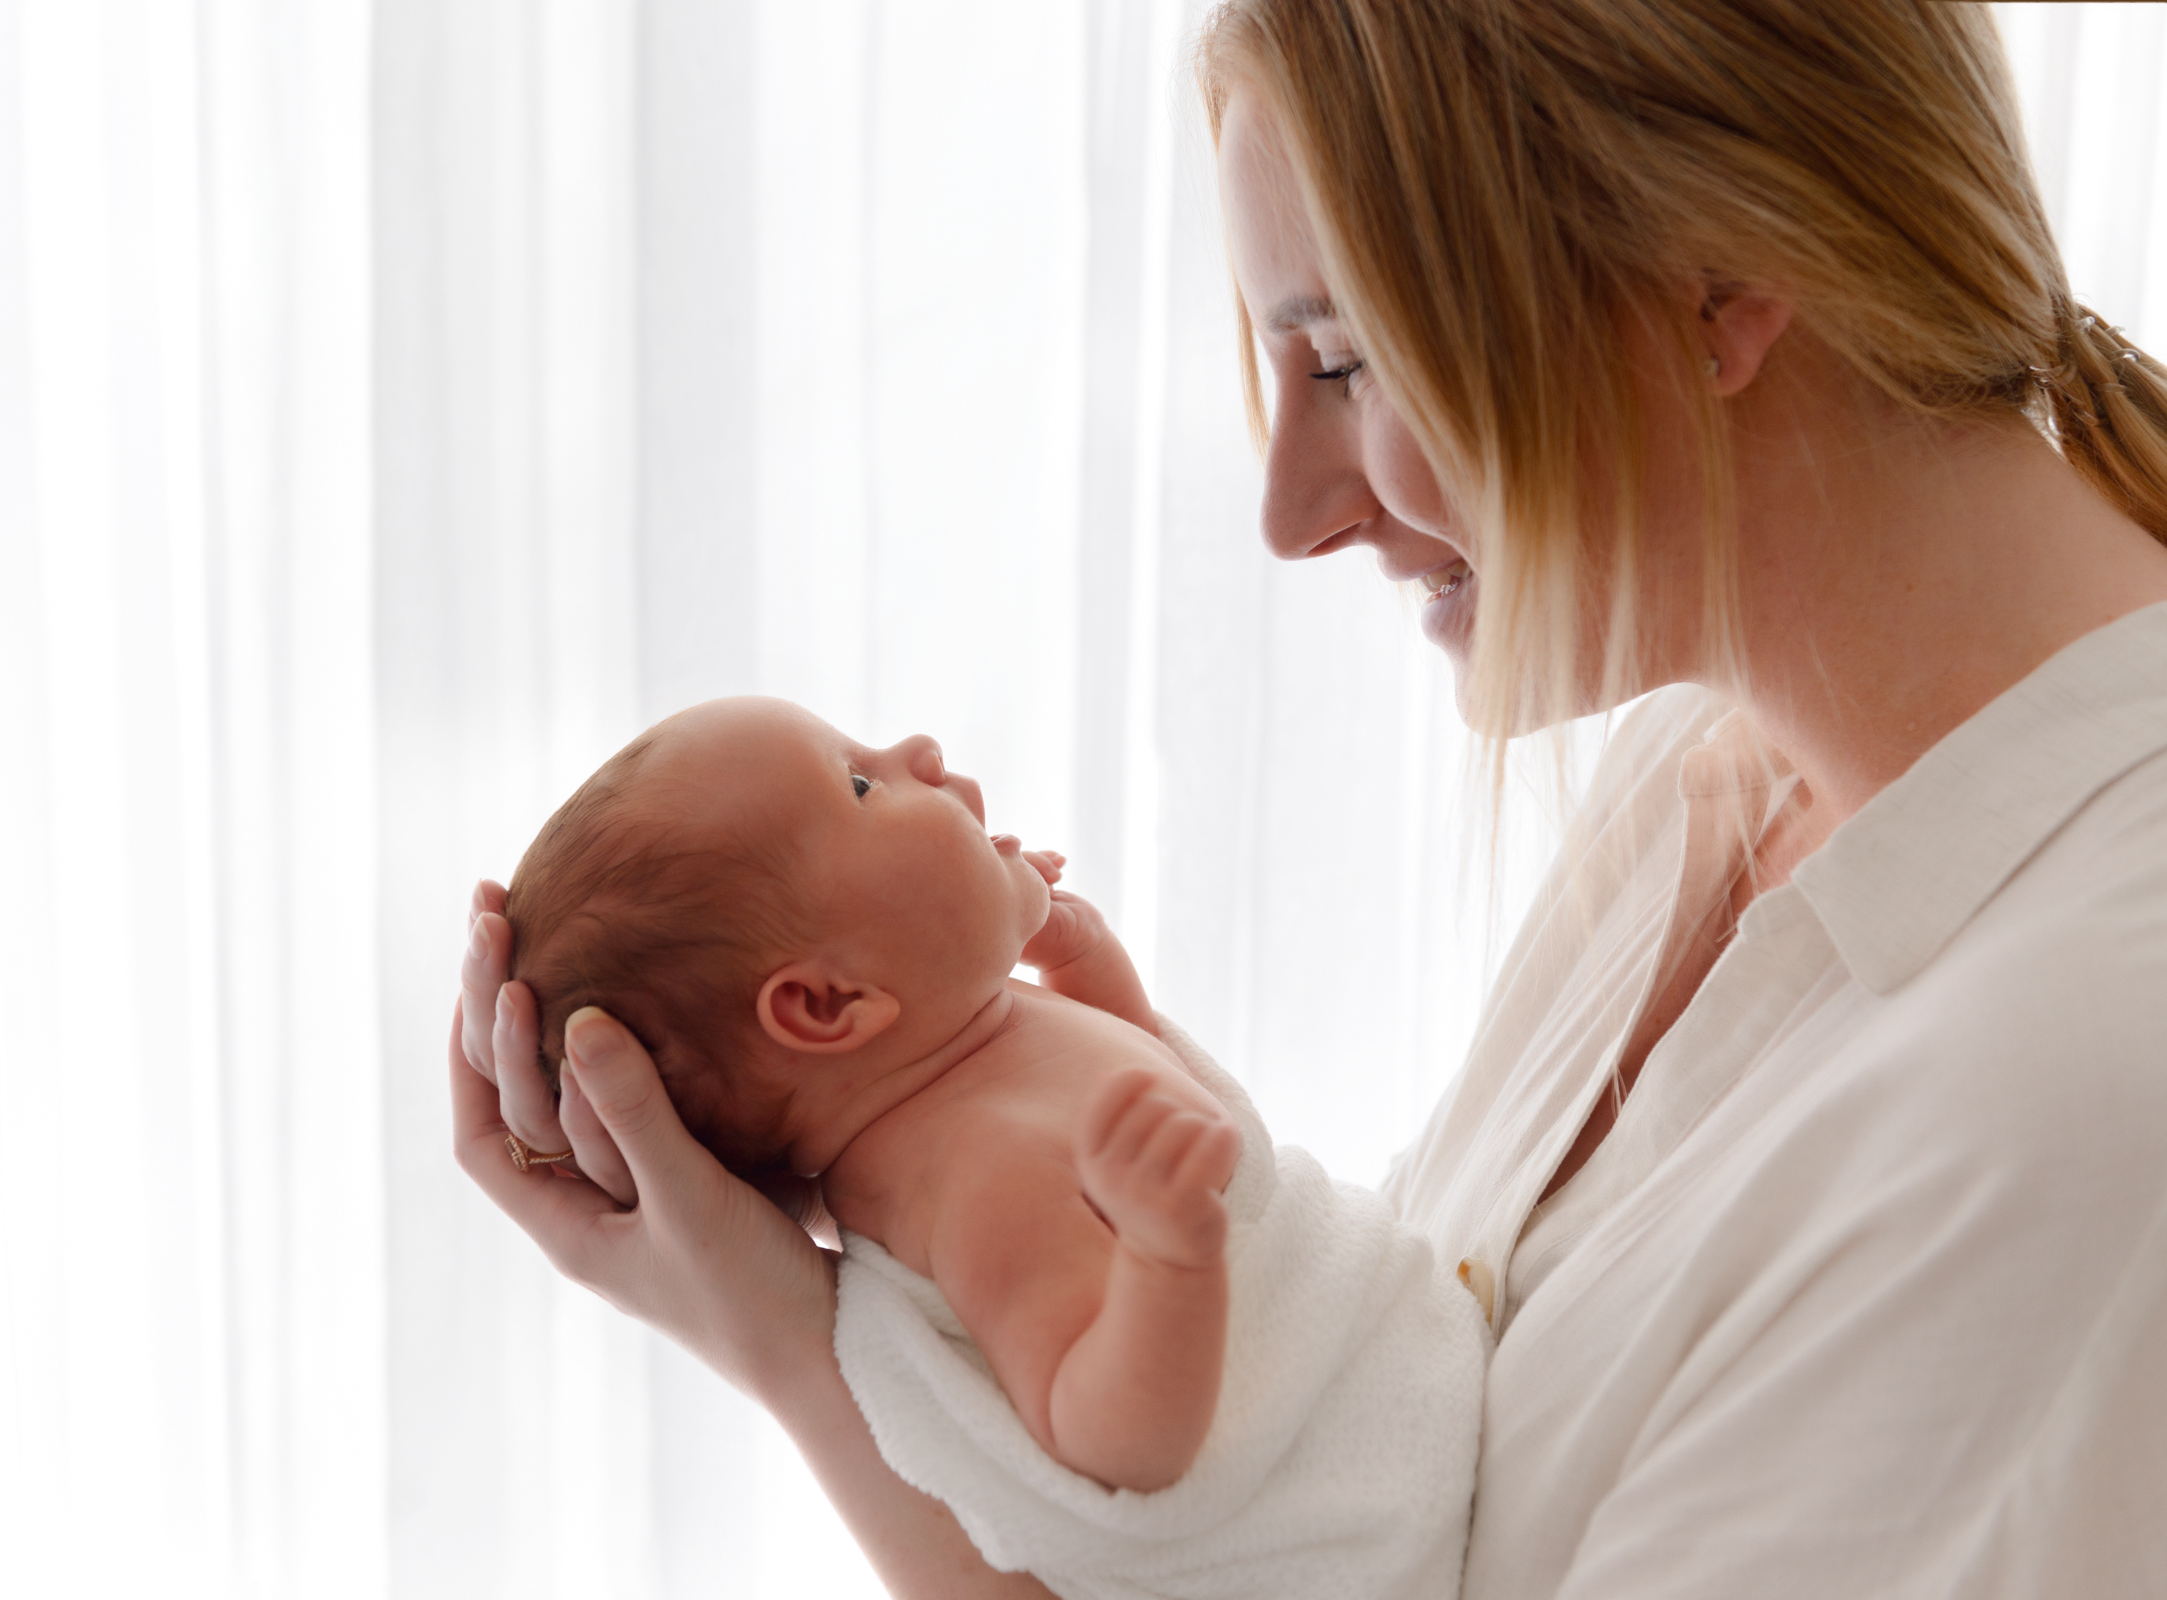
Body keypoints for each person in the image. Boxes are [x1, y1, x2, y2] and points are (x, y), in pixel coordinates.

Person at [452, 2, 2167, 1594]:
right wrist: (787, 1309)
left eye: (1341, 363)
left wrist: (800, 1356)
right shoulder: (1703, 780)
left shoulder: (2077, 1081)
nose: (1288, 511)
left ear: (1719, 282)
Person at [499, 696, 1483, 1597]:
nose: (917, 749)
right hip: (1345, 1521)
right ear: (828, 1003)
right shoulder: (976, 1181)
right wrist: (1168, 1254)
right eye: (859, 783)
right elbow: (1113, 1438)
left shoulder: (973, 1057)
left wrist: (1098, 980)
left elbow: (1158, 1108)